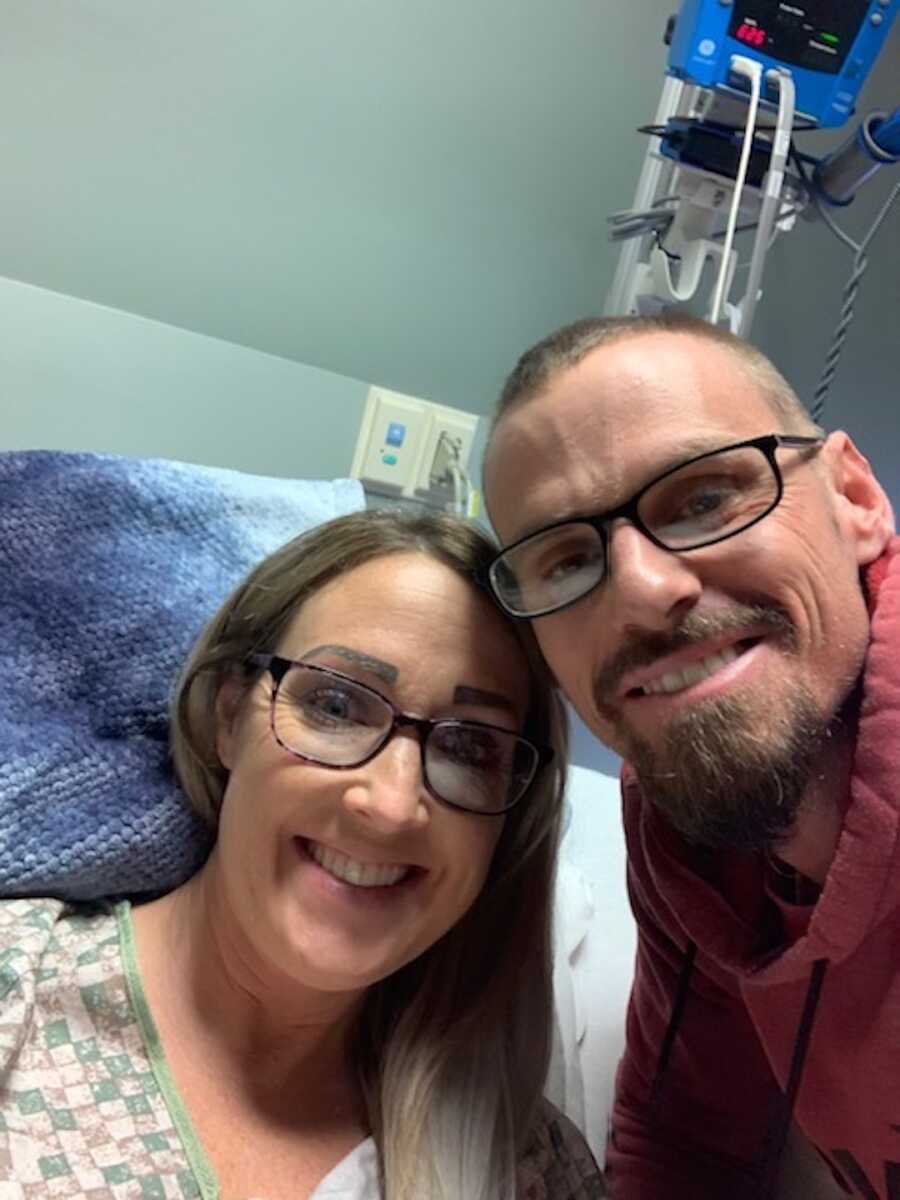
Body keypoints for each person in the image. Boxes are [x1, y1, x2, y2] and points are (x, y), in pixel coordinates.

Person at [0, 509, 605, 1200]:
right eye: (338, 705)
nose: (390, 802)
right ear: (230, 717)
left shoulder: (532, 1171)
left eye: (470, 747)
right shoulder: (16, 987)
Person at [481, 311, 899, 1199]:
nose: (643, 592)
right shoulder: (681, 824)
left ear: (856, 500)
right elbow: (690, 1145)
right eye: (562, 561)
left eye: (705, 498)